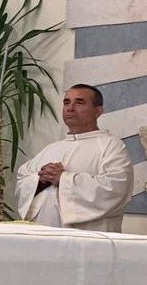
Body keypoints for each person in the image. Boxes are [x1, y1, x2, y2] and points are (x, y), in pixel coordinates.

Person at [14, 84, 133, 232]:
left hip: (87, 237)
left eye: (79, 102)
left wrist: (63, 179)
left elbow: (115, 188)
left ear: (98, 111)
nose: (70, 108)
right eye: (66, 102)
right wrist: (40, 180)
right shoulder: (51, 148)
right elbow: (23, 177)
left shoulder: (111, 146)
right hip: (42, 234)